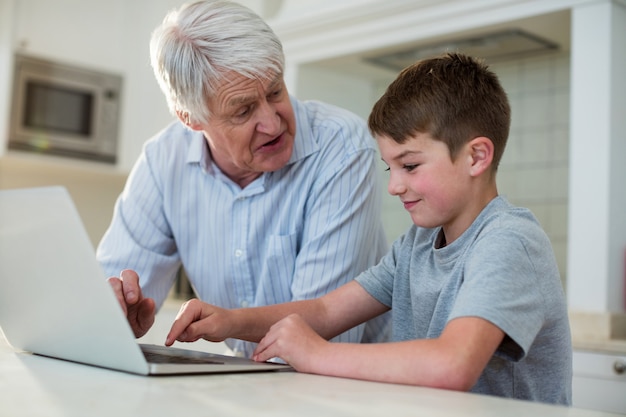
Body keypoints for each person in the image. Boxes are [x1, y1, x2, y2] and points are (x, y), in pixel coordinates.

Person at [164, 53, 573, 405]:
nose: (394, 186)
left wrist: (316, 355)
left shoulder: (509, 241)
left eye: (410, 166)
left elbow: (453, 365)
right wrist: (229, 321)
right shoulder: (416, 245)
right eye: (390, 167)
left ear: (476, 156)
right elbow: (325, 311)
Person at [96, 0, 390, 358]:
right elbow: (102, 308)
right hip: (253, 380)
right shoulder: (162, 162)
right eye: (243, 110)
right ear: (190, 118)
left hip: (358, 387)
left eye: (275, 92)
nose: (272, 123)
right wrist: (116, 316)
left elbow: (320, 340)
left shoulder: (341, 148)